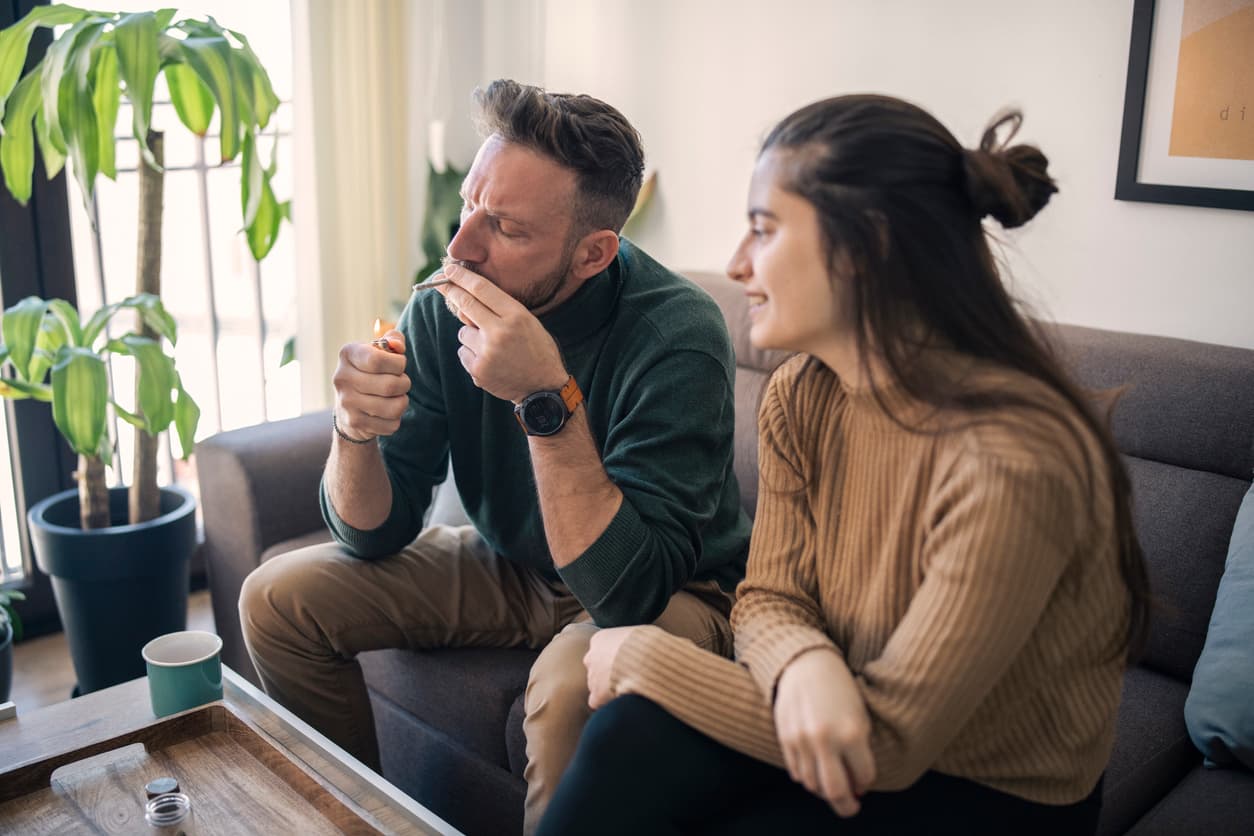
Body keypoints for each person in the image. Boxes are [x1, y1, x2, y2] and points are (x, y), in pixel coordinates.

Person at [537, 94, 1151, 836]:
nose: (736, 265)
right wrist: (805, 665)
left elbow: (889, 746)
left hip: (990, 791)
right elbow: (766, 597)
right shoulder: (802, 393)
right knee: (627, 737)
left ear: (869, 247)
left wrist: (643, 655)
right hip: (836, 704)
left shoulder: (1016, 459)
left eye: (763, 229)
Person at [239, 79, 751, 833]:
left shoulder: (677, 332)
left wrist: (545, 399)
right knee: (277, 601)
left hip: (672, 588)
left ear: (592, 253)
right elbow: (373, 534)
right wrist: (354, 431)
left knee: (568, 689)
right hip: (517, 565)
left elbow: (626, 594)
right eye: (469, 206)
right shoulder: (445, 303)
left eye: (505, 228)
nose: (460, 248)